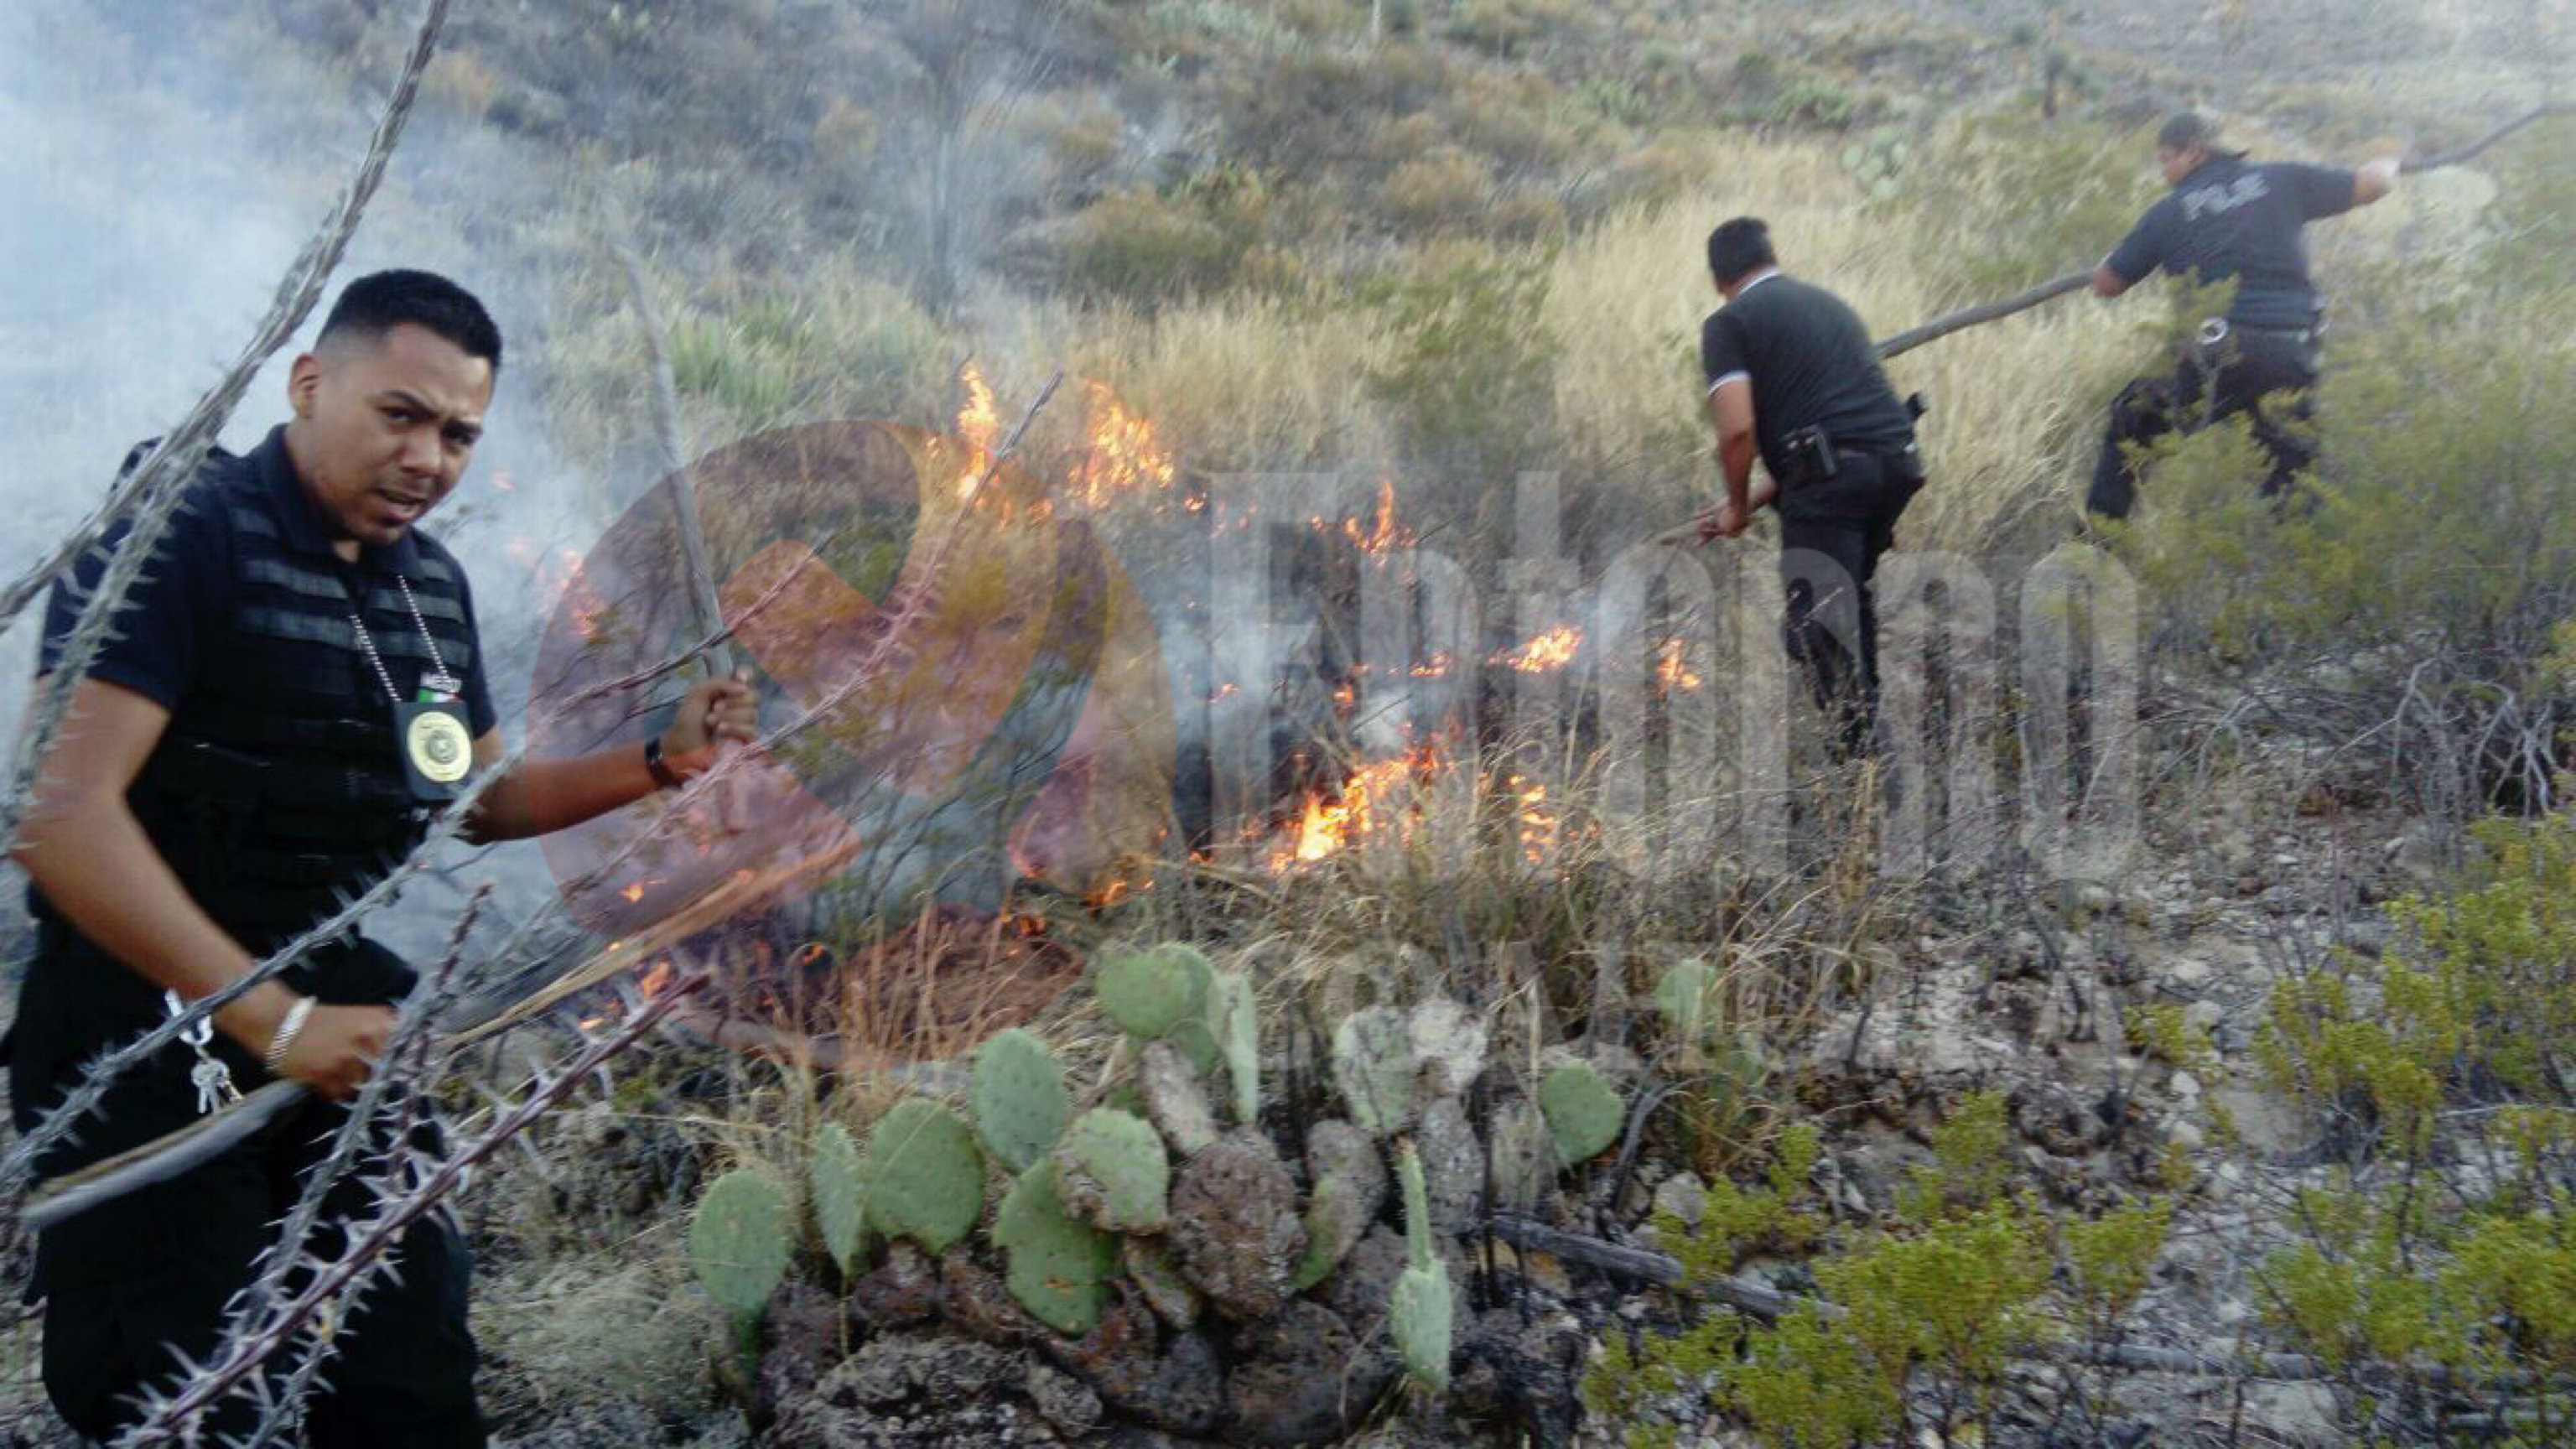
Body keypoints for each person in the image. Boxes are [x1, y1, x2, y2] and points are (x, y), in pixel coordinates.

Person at [7, 269, 761, 1446]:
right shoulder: (182, 530)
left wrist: (657, 761)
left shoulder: (426, 592)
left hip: (335, 1023)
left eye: (460, 433)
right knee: (185, 1398)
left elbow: (476, 796)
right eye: (400, 415)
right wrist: (274, 1023)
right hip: (147, 1028)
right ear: (309, 384)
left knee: (408, 1376)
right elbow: (55, 814)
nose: (430, 459)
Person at [2085, 112, 2402, 518]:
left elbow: (2107, 284)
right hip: (2293, 354)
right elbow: (2373, 184)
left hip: (2218, 352)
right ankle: (2302, 568)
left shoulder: (2168, 212)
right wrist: (2389, 162)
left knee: (2132, 422)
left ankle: (2093, 554)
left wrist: (2108, 262)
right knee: (2295, 487)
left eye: (2166, 160)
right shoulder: (2283, 179)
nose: (2163, 172)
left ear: (2194, 153)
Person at [1690, 216, 1927, 757]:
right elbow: (1831, 427)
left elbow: (1739, 431)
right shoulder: (1829, 305)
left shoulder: (1729, 323)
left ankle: (1864, 773)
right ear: (1770, 257)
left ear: (1718, 278)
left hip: (1836, 482)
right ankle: (1870, 753)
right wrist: (1749, 500)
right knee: (1844, 610)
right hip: (1896, 466)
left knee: (1815, 629)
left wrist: (1734, 509)